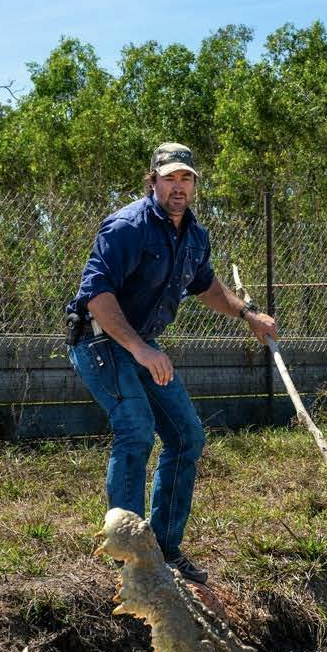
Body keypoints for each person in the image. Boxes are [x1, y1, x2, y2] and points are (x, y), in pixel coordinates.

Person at [66, 142, 278, 582]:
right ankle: (130, 555)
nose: (178, 187)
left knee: (186, 436)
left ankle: (164, 549)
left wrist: (248, 315)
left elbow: (207, 286)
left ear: (194, 184)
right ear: (153, 181)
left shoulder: (194, 235)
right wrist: (141, 349)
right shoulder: (127, 226)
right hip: (99, 340)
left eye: (186, 178)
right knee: (136, 428)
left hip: (141, 344)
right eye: (169, 178)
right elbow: (97, 295)